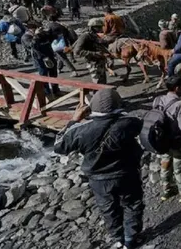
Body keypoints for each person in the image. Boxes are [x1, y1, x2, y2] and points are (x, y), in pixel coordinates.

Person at [55, 89, 144, 249]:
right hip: (127, 172)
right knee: (132, 205)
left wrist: (74, 120)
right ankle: (131, 238)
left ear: (92, 106)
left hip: (99, 178)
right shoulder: (131, 121)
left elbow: (59, 146)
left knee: (108, 209)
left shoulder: (80, 130)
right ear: (118, 104)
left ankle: (117, 239)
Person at [152, 76, 181, 202]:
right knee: (179, 168)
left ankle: (166, 191)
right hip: (177, 142)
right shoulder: (179, 104)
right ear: (177, 88)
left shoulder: (158, 99)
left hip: (162, 141)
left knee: (165, 165)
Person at [73, 18, 111, 84]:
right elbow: (77, 51)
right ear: (92, 27)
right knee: (97, 83)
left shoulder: (95, 35)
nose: (100, 28)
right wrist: (96, 53)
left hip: (100, 62)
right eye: (98, 27)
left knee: (103, 83)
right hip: (93, 63)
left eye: (101, 26)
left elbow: (100, 46)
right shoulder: (85, 36)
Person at [27, 28, 60, 96]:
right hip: (40, 60)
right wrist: (36, 36)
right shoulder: (28, 37)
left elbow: (55, 36)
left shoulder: (46, 35)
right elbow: (31, 46)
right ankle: (47, 92)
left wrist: (49, 31)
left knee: (53, 74)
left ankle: (55, 90)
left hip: (50, 57)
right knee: (43, 76)